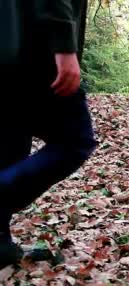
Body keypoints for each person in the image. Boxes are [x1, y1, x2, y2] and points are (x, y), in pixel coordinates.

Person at [0, 0, 97, 269]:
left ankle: (0, 246)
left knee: (11, 141)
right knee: (75, 140)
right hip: (37, 49)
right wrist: (64, 45)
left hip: (11, 44)